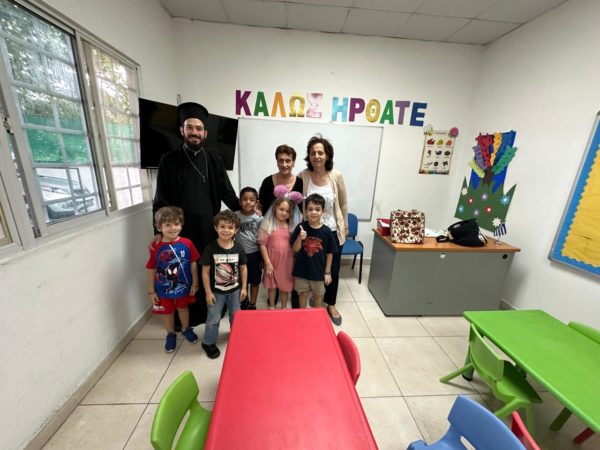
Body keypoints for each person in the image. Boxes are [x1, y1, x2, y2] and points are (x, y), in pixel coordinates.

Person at [152, 102, 240, 326]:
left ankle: (211, 310)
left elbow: (227, 192)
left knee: (207, 269)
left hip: (209, 228)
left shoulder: (214, 158)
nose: (194, 132)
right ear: (182, 130)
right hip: (179, 231)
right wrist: (159, 231)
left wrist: (245, 208)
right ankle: (185, 317)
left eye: (199, 128)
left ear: (205, 133)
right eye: (189, 127)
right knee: (182, 272)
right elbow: (161, 198)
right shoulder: (168, 160)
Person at [298, 136, 348, 325]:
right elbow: (294, 200)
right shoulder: (303, 176)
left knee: (332, 270)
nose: (317, 156)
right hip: (311, 232)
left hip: (332, 232)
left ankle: (331, 304)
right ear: (309, 156)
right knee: (313, 268)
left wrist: (345, 226)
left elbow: (343, 203)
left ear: (327, 155)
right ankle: (314, 298)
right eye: (313, 153)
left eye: (321, 152)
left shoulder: (336, 175)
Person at [146, 206, 200, 352]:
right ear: (159, 227)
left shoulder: (187, 243)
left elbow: (193, 263)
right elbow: (151, 268)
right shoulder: (156, 246)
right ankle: (170, 334)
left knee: (183, 308)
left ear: (181, 224)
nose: (173, 228)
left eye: (176, 224)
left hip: (184, 287)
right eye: (167, 225)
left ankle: (186, 329)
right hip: (162, 289)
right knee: (167, 312)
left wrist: (195, 283)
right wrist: (151, 291)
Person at [258, 144, 303, 308]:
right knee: (272, 276)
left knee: (288, 270)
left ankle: (289, 297)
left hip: (291, 232)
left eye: (288, 160)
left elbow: (302, 207)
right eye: (281, 160)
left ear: (293, 162)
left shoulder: (300, 182)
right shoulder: (268, 181)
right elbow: (261, 205)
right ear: (276, 161)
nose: (284, 164)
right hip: (271, 231)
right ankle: (273, 301)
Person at [200, 210, 247, 359]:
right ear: (216, 227)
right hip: (216, 292)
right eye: (222, 226)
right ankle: (208, 342)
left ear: (236, 230)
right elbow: (205, 272)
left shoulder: (239, 248)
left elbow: (243, 268)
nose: (226, 230)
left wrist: (244, 288)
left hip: (235, 291)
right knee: (213, 318)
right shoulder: (210, 248)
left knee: (236, 316)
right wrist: (208, 292)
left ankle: (236, 335)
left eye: (230, 227)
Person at [291, 194, 336, 309]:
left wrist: (327, 272)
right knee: (302, 294)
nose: (313, 212)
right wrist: (300, 238)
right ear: (305, 211)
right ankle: (302, 315)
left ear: (323, 212)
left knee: (317, 296)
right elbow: (294, 249)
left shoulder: (327, 231)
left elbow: (330, 252)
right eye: (310, 209)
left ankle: (315, 316)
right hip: (302, 271)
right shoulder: (300, 227)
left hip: (318, 272)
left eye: (317, 209)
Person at [235, 187, 262, 310]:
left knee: (255, 281)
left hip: (254, 254)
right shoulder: (235, 216)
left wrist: (262, 258)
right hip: (238, 255)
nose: (248, 202)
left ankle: (252, 304)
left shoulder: (259, 218)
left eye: (251, 200)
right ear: (240, 201)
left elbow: (262, 239)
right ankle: (243, 301)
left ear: (256, 202)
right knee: (241, 281)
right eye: (244, 199)